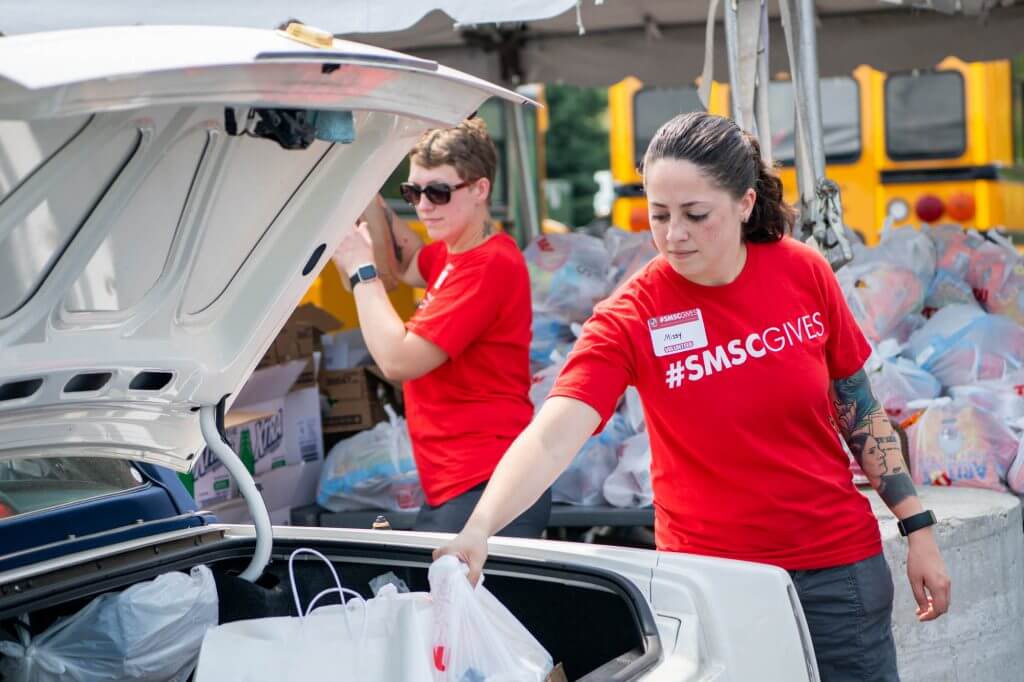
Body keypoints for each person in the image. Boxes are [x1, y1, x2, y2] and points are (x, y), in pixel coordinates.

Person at [436, 112, 950, 680]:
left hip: (837, 576)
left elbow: (859, 407)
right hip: (714, 586)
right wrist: (479, 528)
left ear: (745, 203)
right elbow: (553, 435)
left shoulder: (803, 271)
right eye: (658, 215)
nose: (673, 234)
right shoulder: (632, 315)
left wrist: (917, 527)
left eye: (695, 214)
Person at [333, 118, 550, 536]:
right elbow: (403, 261)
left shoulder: (487, 265)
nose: (423, 206)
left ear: (480, 189)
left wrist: (361, 271)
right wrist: (367, 191)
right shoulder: (454, 253)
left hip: (485, 485)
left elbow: (398, 361)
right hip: (466, 483)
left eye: (438, 192)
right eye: (412, 192)